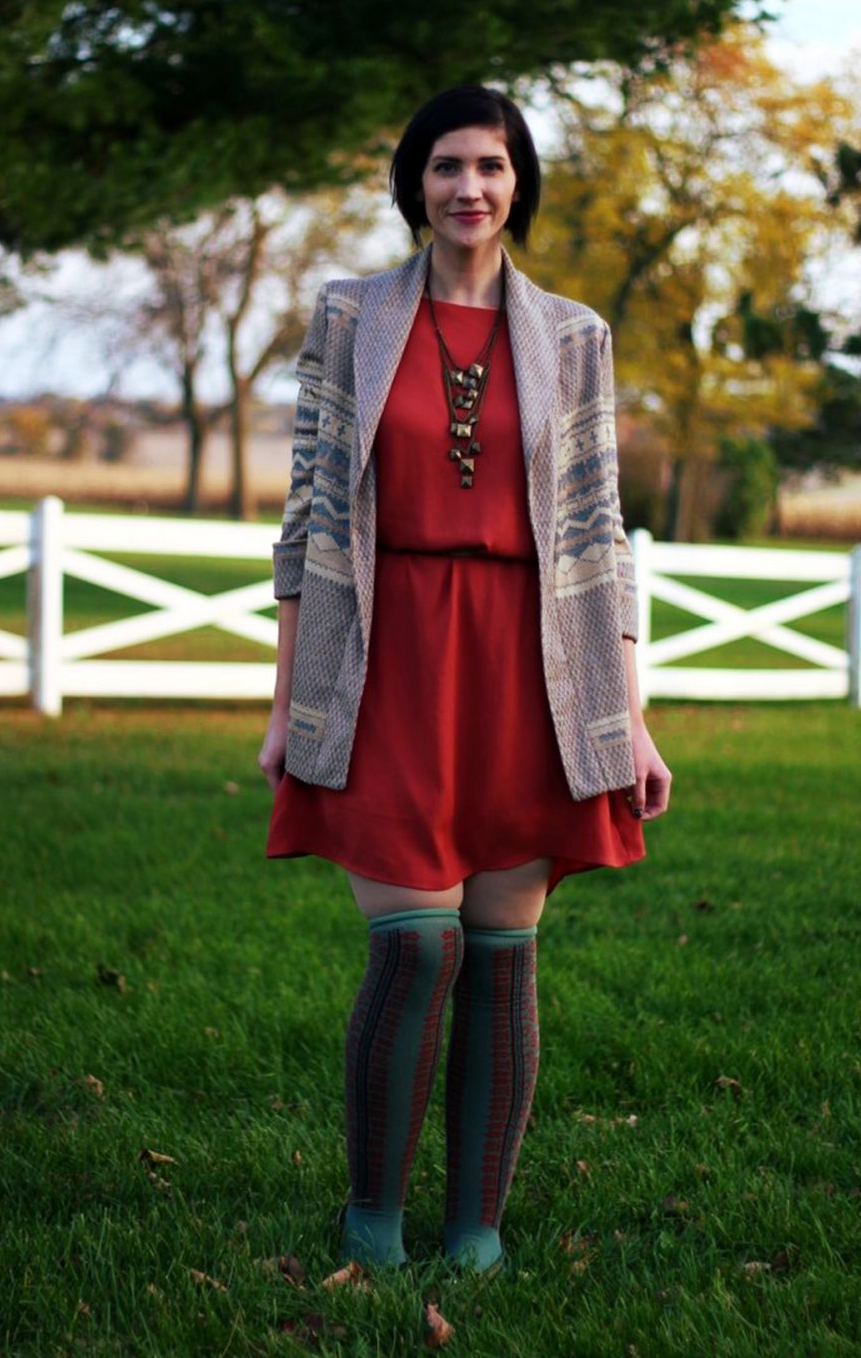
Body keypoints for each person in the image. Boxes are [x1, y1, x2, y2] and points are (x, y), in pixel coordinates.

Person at [257, 84, 671, 1277]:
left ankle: (476, 1227)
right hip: (387, 653)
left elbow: (598, 533)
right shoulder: (348, 318)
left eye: (490, 166)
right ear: (414, 183)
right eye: (445, 166)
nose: (468, 188)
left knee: (499, 949)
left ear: (517, 183)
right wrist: (289, 702)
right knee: (413, 946)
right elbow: (309, 515)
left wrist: (627, 722)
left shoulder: (575, 336)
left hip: (529, 662)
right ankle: (373, 1219)